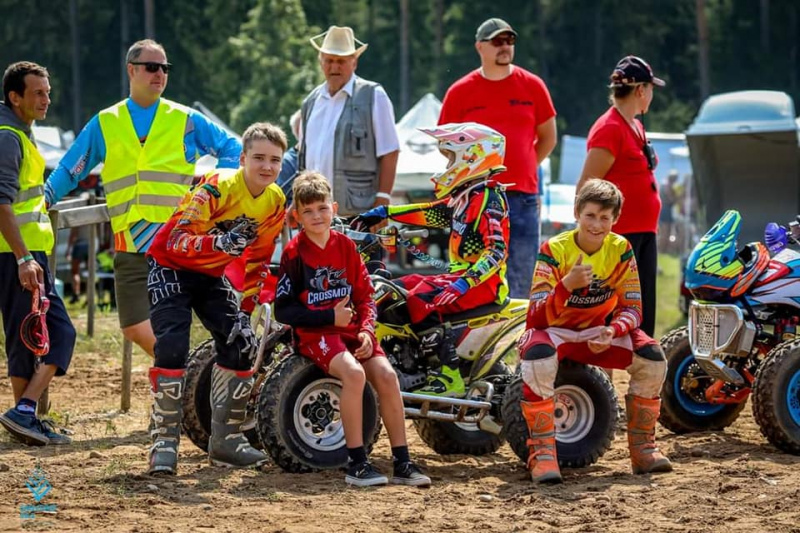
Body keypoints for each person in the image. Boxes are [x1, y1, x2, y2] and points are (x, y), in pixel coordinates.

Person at [44, 39, 242, 357]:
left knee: (186, 324)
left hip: (177, 243)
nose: (160, 74)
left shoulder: (185, 119)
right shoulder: (106, 122)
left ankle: (185, 380)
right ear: (131, 70)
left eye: (165, 68)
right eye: (152, 67)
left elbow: (233, 149)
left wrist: (214, 195)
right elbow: (72, 168)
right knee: (134, 325)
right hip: (130, 243)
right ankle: (189, 373)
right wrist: (46, 196)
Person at [144, 122, 286, 475]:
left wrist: (246, 309)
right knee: (172, 346)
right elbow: (176, 238)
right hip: (170, 266)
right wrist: (217, 244)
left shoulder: (275, 201)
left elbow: (258, 258)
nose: (266, 167)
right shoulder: (217, 187)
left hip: (210, 275)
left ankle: (226, 442)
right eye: (259, 158)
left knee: (242, 343)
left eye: (275, 160)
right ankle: (163, 442)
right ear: (242, 159)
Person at [274, 171, 430, 488]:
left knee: (387, 376)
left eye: (322, 208)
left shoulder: (346, 246)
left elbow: (365, 298)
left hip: (353, 333)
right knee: (355, 374)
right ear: (297, 216)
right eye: (308, 211)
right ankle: (357, 464)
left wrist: (367, 332)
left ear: (333, 208)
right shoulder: (295, 252)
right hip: (316, 334)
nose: (316, 216)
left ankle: (402, 462)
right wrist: (329, 316)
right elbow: (284, 309)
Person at [517, 179, 672, 483]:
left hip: (598, 334)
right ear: (576, 212)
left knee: (653, 357)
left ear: (615, 219)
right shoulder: (554, 249)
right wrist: (566, 287)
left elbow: (633, 310)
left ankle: (643, 449)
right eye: (590, 215)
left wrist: (613, 330)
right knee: (536, 356)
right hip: (554, 333)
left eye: (605, 217)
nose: (597, 224)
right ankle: (544, 455)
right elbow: (535, 318)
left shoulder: (621, 249)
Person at [352, 123, 510, 397]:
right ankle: (411, 364)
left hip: (483, 283)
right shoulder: (466, 196)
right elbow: (431, 213)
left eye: (451, 157)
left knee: (421, 297)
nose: (447, 164)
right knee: (395, 292)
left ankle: (448, 374)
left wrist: (464, 284)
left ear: (472, 157)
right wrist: (384, 213)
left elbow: (496, 251)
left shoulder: (489, 199)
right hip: (458, 276)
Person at [439, 17, 557, 299]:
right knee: (475, 272)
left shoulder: (533, 85)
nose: (504, 47)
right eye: (497, 41)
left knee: (523, 275)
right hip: (476, 198)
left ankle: (518, 341)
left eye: (509, 41)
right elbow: (445, 144)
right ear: (480, 47)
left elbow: (548, 138)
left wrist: (525, 165)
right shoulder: (460, 91)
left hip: (523, 197)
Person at [0, 61, 76, 446]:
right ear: (15, 97)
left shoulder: (19, 133)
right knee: (60, 333)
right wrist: (23, 258)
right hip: (18, 256)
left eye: (48, 91)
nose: (47, 99)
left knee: (24, 337)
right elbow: (1, 203)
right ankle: (25, 410)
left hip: (24, 254)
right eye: (38, 93)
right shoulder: (8, 137)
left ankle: (23, 418)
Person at [577, 55, 665, 337]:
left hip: (642, 233)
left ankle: (638, 372)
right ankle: (605, 376)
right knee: (616, 312)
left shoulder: (635, 126)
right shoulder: (610, 128)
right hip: (620, 237)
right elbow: (587, 187)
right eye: (651, 88)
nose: (652, 95)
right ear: (640, 90)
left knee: (641, 311)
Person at [298, 25, 399, 218]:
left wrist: (383, 200)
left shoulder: (373, 95)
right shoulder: (310, 102)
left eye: (340, 61)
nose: (334, 67)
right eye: (329, 60)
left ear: (354, 63)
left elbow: (390, 151)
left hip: (359, 213)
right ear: (321, 62)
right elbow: (303, 159)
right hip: (314, 216)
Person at [658, 170, 679, 255]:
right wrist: (677, 197)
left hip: (664, 210)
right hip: (666, 210)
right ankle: (662, 250)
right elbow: (671, 199)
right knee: (665, 232)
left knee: (665, 231)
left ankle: (663, 250)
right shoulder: (667, 185)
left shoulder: (663, 183)